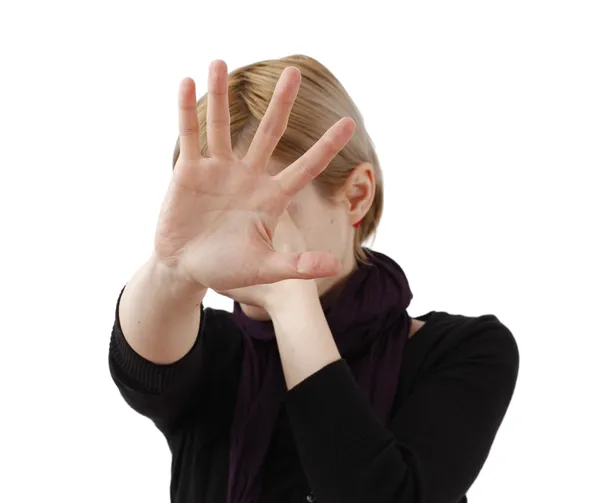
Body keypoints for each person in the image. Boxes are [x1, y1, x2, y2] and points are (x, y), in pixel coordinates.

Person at [108, 55, 520, 503]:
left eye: (268, 208)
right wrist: (172, 266)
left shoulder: (465, 351)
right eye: (217, 214)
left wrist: (290, 298)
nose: (239, 239)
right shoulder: (216, 350)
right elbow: (143, 369)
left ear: (357, 196)